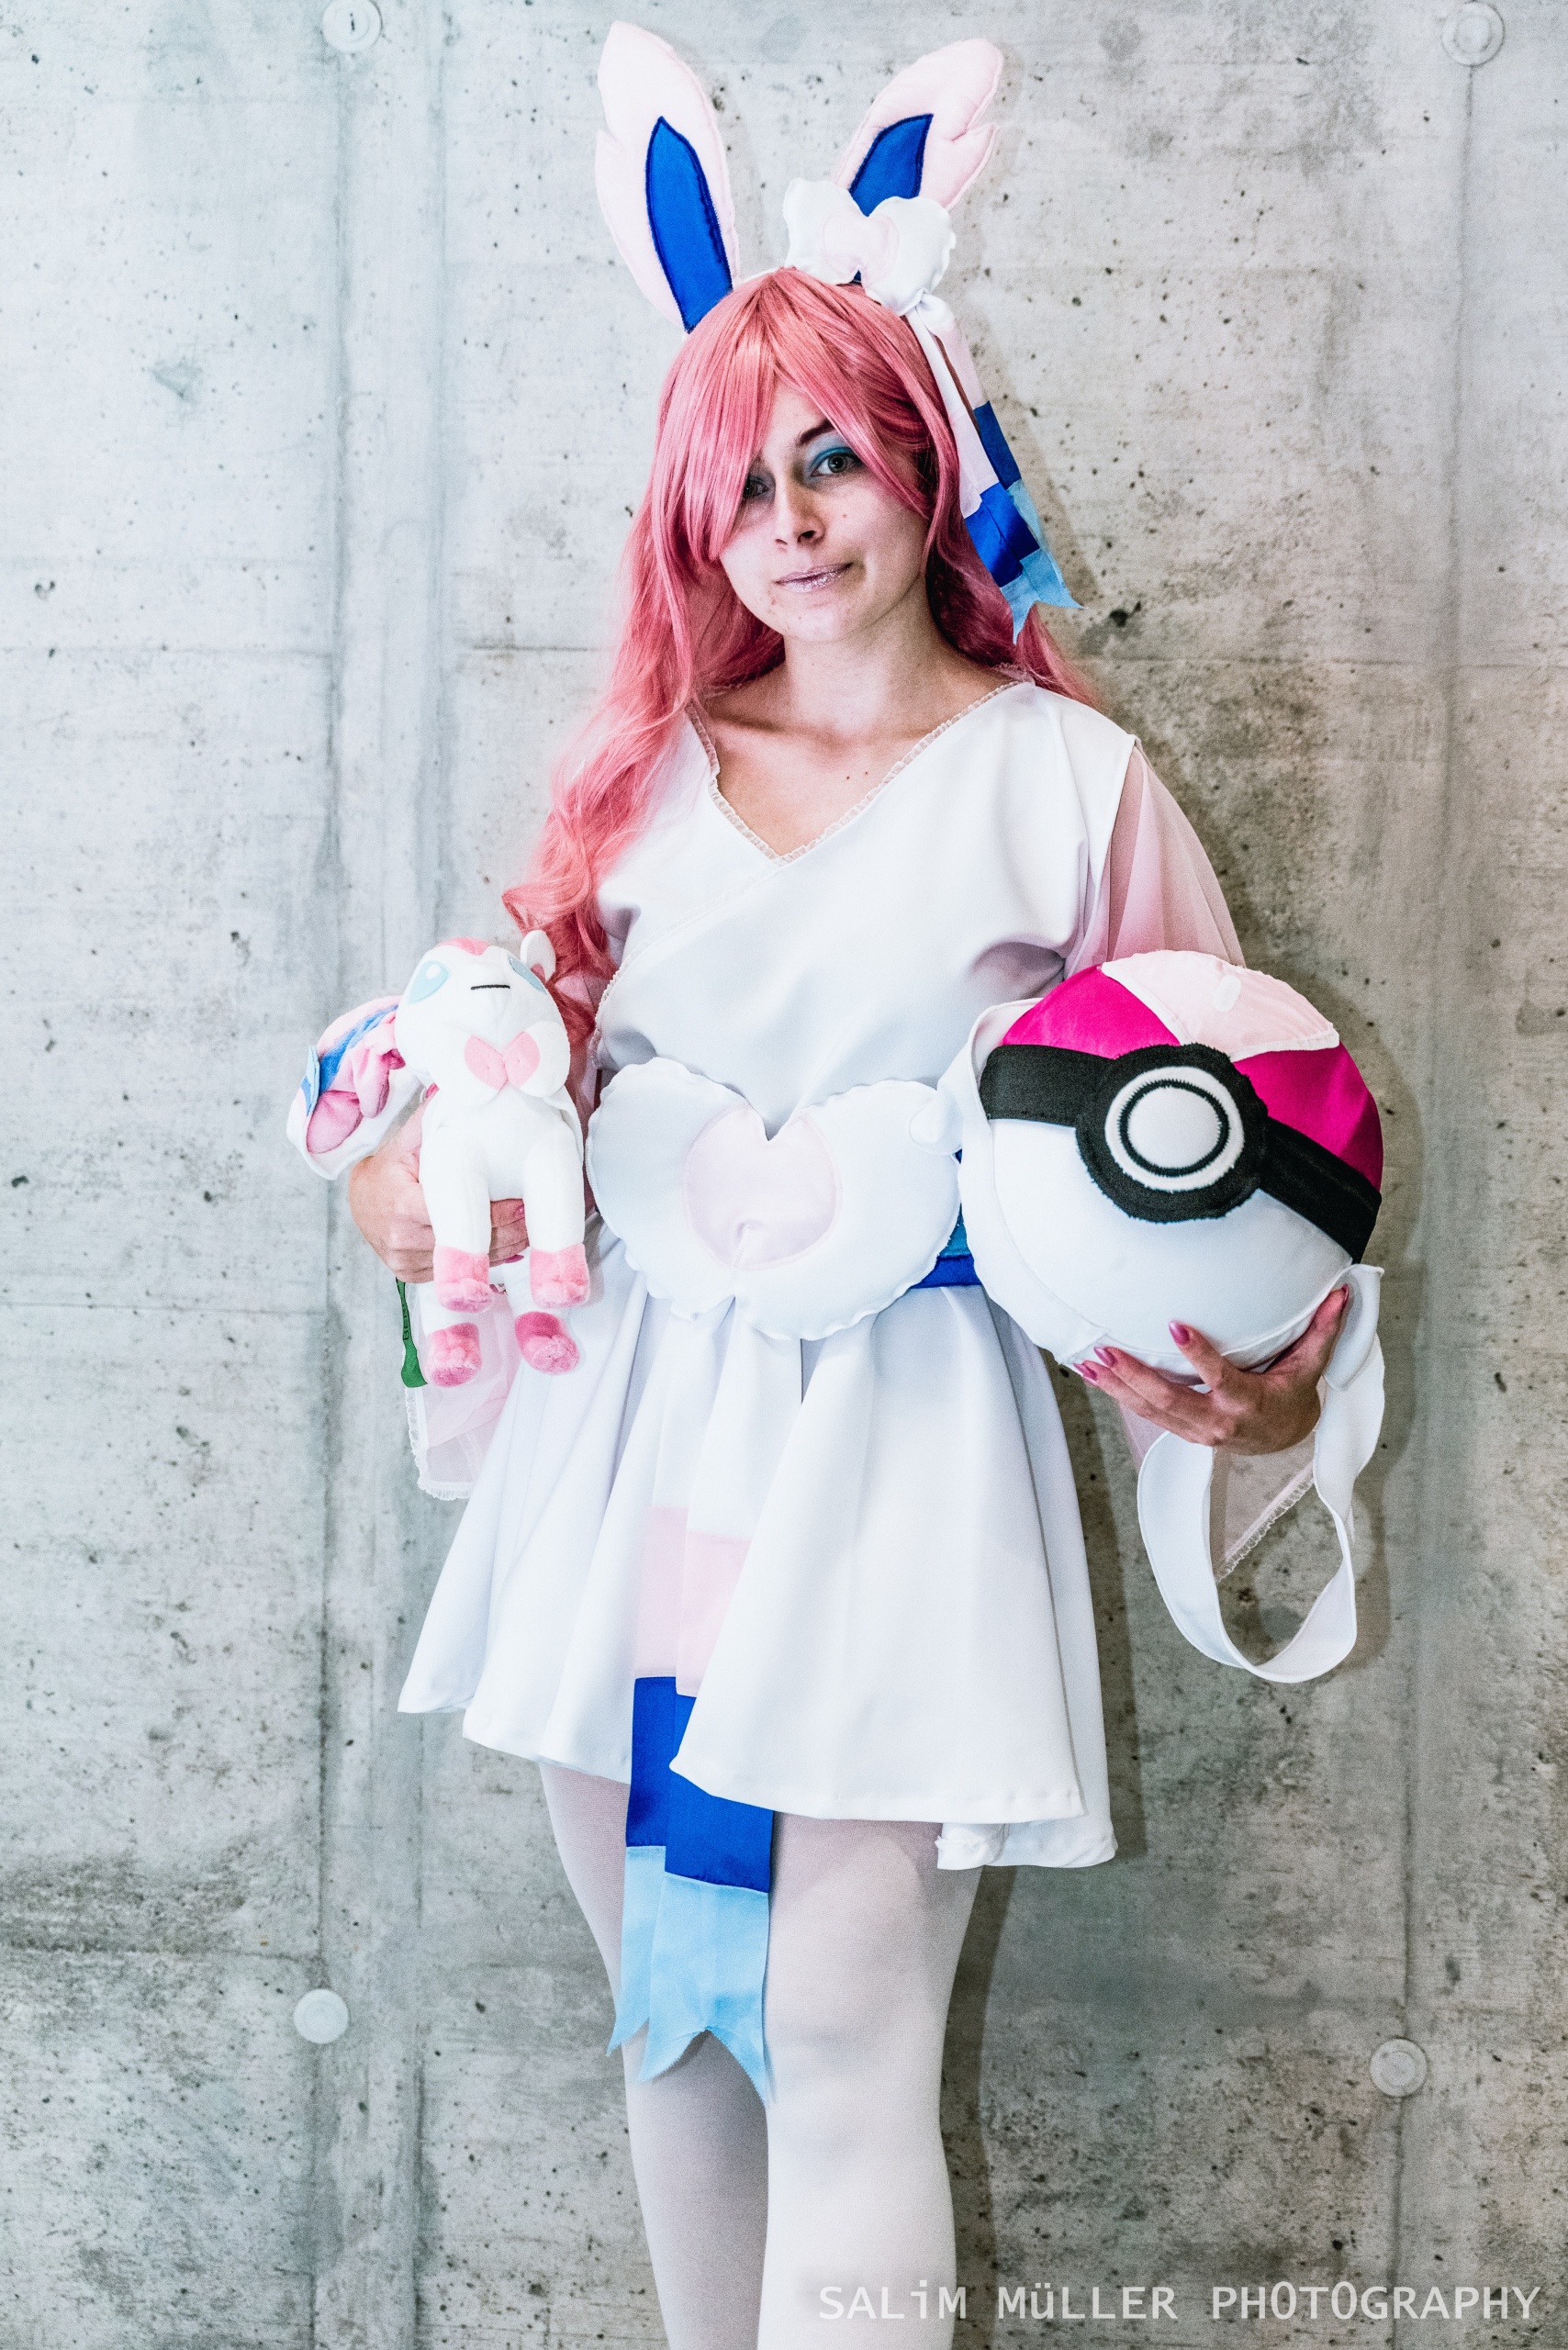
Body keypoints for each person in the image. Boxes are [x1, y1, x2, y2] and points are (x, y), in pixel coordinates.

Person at [344, 258, 1346, 2347]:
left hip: (907, 1444)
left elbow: (1215, 1140)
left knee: (845, 2020)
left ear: (918, 464)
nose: (788, 522)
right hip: (632, 1445)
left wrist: (1246, 1394)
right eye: (738, 484)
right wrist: (405, 1177)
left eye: (831, 462)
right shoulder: (636, 774)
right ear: (688, 523)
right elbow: (500, 1078)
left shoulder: (1070, 783)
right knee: (677, 2011)